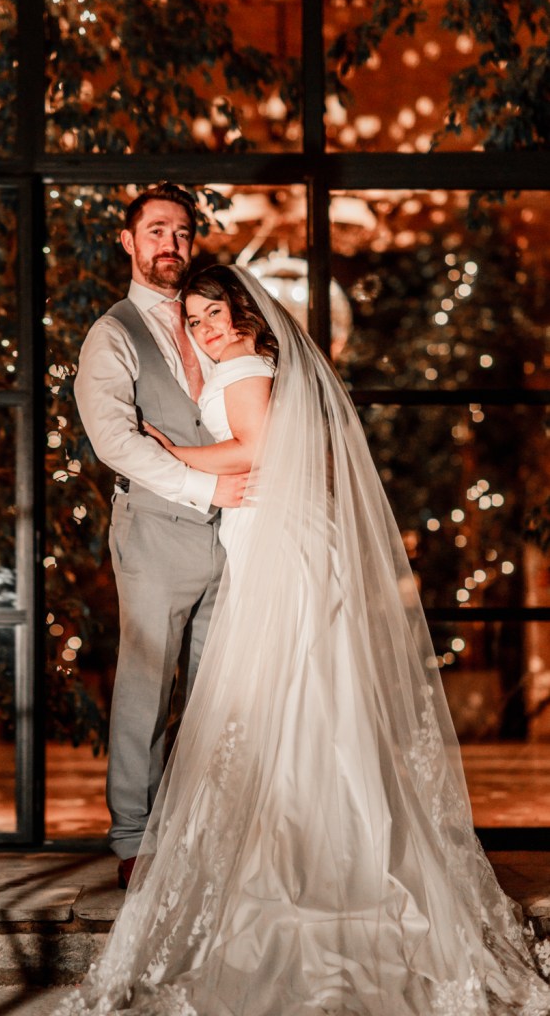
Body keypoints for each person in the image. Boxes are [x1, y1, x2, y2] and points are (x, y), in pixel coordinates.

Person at [61, 265, 550, 1015]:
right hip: (267, 536)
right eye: (193, 320)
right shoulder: (244, 365)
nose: (207, 328)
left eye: (215, 312)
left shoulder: (248, 366)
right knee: (299, 695)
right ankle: (315, 842)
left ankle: (321, 858)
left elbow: (255, 452)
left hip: (280, 541)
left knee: (298, 694)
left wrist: (172, 454)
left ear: (245, 311)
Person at [74, 188, 248, 890]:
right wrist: (205, 487)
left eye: (180, 231)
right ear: (128, 241)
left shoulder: (213, 321)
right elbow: (114, 439)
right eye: (155, 231)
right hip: (156, 531)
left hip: (239, 531)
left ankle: (201, 826)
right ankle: (133, 838)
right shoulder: (111, 333)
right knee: (146, 688)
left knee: (217, 690)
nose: (169, 243)